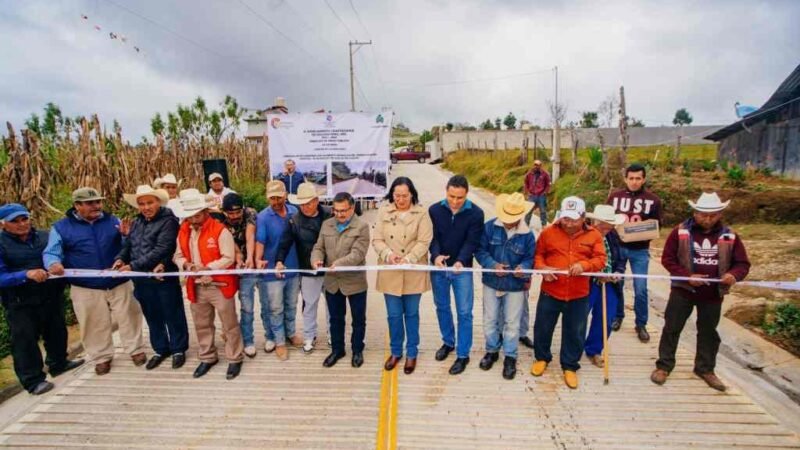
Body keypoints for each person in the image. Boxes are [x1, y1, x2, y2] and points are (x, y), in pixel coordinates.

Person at [651, 192, 750, 392]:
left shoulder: (729, 236)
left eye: (713, 215)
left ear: (720, 213)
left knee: (708, 332)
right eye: (703, 214)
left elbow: (742, 264)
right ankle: (664, 366)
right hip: (683, 291)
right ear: (695, 212)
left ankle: (705, 368)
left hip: (713, 294)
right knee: (672, 327)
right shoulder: (680, 232)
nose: (707, 218)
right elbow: (668, 259)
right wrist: (686, 275)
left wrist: (733, 275)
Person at [44, 187, 146, 376]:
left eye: (98, 202)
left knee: (130, 315)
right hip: (85, 285)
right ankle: (102, 357)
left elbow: (128, 248)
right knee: (93, 322)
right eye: (90, 203)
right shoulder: (61, 228)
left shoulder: (113, 220)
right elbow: (51, 252)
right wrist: (53, 263)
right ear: (77, 205)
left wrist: (126, 236)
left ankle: (136, 349)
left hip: (117, 279)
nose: (97, 206)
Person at [0, 204, 84, 395]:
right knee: (25, 341)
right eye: (15, 221)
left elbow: (62, 255)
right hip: (20, 301)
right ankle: (33, 380)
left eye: (25, 219)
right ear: (3, 224)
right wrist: (25, 274)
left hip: (49, 295)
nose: (22, 224)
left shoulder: (46, 237)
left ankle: (59, 363)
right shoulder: (2, 244)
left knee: (57, 331)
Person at [531, 196, 606, 389]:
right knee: (543, 327)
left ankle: (570, 365)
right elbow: (538, 255)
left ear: (583, 217)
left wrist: (585, 265)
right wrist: (543, 269)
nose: (569, 223)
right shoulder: (548, 233)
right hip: (551, 290)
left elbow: (600, 259)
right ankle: (542, 358)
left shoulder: (594, 235)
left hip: (579, 293)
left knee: (575, 331)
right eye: (565, 218)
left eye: (573, 219)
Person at [114, 185, 189, 370]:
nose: (146, 207)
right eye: (141, 204)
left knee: (172, 313)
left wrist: (133, 266)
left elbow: (163, 248)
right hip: (142, 279)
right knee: (152, 315)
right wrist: (120, 259)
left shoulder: (169, 220)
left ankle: (178, 348)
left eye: (149, 202)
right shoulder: (137, 222)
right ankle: (161, 348)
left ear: (158, 202)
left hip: (163, 275)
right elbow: (129, 245)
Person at [173, 190, 244, 380]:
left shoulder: (220, 230)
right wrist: (186, 265)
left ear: (205, 212)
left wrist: (207, 269)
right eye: (190, 216)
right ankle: (207, 356)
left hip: (219, 285)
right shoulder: (183, 231)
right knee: (201, 324)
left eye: (197, 215)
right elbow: (178, 255)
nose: (193, 220)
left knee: (229, 324)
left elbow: (228, 258)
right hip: (195, 285)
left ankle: (235, 358)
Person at [373, 177, 433, 375]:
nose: (400, 200)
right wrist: (388, 255)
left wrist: (410, 257)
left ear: (412, 194)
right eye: (397, 196)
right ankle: (396, 351)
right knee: (393, 315)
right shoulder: (384, 211)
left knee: (412, 314)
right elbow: (377, 239)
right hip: (391, 269)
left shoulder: (422, 213)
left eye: (404, 196)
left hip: (413, 269)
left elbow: (425, 241)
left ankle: (412, 353)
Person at [475, 192, 535, 380]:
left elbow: (531, 258)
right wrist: (492, 265)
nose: (508, 222)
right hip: (492, 282)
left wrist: (523, 268)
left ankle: (510, 356)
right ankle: (492, 350)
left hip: (515, 285)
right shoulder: (489, 227)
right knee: (490, 319)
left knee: (512, 322)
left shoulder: (528, 235)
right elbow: (480, 250)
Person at [428, 175, 484, 375]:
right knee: (442, 307)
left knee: (464, 312)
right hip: (439, 268)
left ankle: (463, 354)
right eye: (451, 196)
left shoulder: (476, 214)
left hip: (463, 269)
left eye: (460, 198)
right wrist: (435, 256)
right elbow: (431, 237)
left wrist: (461, 260)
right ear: (446, 191)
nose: (455, 201)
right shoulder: (434, 210)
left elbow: (472, 241)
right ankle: (448, 342)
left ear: (466, 194)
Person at [310, 192, 370, 368]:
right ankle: (337, 350)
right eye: (336, 211)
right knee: (335, 318)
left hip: (354, 282)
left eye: (343, 211)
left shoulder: (362, 226)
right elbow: (318, 247)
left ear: (352, 208)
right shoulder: (326, 225)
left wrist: (338, 263)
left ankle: (357, 350)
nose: (339, 214)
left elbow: (358, 254)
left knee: (358, 319)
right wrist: (315, 259)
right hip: (332, 282)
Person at [606, 163, 663, 342]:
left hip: (640, 250)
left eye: (638, 178)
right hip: (618, 247)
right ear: (625, 179)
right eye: (631, 178)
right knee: (617, 283)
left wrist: (636, 232)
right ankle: (618, 315)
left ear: (644, 179)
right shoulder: (615, 197)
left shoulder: (653, 200)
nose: (634, 182)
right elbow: (607, 219)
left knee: (640, 288)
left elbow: (655, 225)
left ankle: (641, 323)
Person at [276, 183, 332, 354]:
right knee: (309, 305)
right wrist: (279, 261)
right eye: (302, 204)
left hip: (331, 269)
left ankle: (333, 334)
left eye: (309, 203)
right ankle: (309, 336)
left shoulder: (330, 214)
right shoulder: (293, 220)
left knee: (333, 305)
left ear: (316, 200)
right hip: (308, 270)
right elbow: (284, 244)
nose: (305, 207)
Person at [255, 180, 301, 361]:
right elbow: (260, 241)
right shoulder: (263, 217)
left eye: (279, 197)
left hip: (293, 267)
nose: (275, 201)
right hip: (272, 271)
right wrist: (259, 260)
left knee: (291, 305)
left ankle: (290, 333)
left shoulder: (294, 212)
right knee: (275, 308)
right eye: (272, 198)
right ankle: (279, 341)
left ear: (285, 196)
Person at [583, 205, 626, 367]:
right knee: (580, 317)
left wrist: (618, 272)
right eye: (602, 225)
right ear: (594, 221)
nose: (606, 228)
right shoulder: (584, 234)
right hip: (588, 281)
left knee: (605, 317)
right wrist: (595, 273)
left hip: (609, 283)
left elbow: (621, 258)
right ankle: (573, 349)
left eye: (609, 225)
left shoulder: (613, 235)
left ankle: (594, 350)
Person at [220, 193, 260, 358]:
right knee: (229, 305)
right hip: (229, 262)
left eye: (238, 212)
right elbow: (229, 241)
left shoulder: (251, 213)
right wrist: (238, 256)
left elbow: (250, 236)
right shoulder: (219, 219)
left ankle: (248, 340)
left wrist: (249, 257)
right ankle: (236, 336)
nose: (235, 216)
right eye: (231, 213)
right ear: (225, 212)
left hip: (249, 264)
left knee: (247, 305)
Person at [523, 160, 551, 225]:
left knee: (543, 211)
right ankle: (526, 225)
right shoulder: (529, 174)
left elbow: (548, 184)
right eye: (535, 165)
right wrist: (527, 192)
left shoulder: (545, 174)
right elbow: (525, 183)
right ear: (533, 165)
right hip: (532, 195)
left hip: (541, 195)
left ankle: (544, 225)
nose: (536, 166)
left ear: (540, 166)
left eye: (538, 165)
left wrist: (545, 192)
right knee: (528, 211)